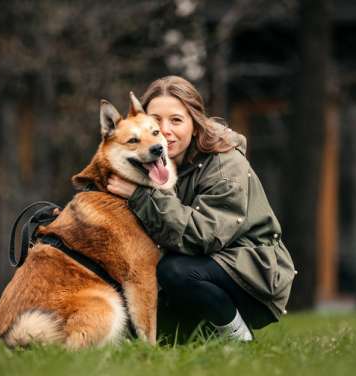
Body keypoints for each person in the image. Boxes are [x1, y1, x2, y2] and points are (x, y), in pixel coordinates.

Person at [107, 75, 296, 342]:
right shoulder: (148, 161)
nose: (164, 130)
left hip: (251, 272)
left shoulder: (225, 164)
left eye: (176, 120)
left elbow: (202, 235)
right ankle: (204, 334)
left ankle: (239, 337)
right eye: (154, 121)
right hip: (189, 265)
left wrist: (140, 197)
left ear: (195, 125)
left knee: (175, 271)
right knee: (147, 335)